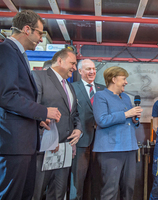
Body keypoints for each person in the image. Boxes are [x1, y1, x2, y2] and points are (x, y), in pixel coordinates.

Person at [0, 10, 61, 200]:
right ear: (27, 29)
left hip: (23, 143)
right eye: (40, 33)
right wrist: (43, 111)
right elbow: (7, 96)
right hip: (13, 145)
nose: (41, 39)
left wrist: (37, 121)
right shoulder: (6, 51)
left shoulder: (19, 54)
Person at [32, 48, 82, 200]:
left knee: (58, 194)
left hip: (64, 150)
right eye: (72, 63)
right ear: (60, 61)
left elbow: (75, 114)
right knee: (36, 193)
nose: (74, 68)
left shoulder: (70, 86)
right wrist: (42, 118)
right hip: (43, 149)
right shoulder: (38, 77)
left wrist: (79, 129)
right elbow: (30, 107)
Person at [93, 66, 143, 200]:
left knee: (128, 188)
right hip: (111, 150)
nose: (126, 82)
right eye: (124, 79)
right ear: (113, 79)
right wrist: (126, 114)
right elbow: (102, 120)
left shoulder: (125, 97)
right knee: (110, 190)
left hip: (130, 148)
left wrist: (134, 119)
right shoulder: (100, 96)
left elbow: (129, 121)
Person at [70, 59, 105, 200]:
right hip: (80, 141)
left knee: (98, 180)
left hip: (101, 142)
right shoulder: (72, 87)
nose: (92, 71)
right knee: (77, 181)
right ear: (80, 71)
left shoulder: (103, 89)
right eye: (88, 69)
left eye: (93, 68)